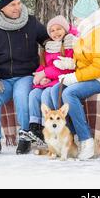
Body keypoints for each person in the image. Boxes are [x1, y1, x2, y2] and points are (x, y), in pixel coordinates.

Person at [50, 0, 100, 160]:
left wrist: (74, 77)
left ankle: (87, 141)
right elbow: (88, 60)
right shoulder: (90, 32)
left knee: (70, 92)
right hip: (98, 76)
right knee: (57, 90)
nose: (75, 21)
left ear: (87, 17)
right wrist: (71, 63)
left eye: (77, 17)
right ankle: (73, 136)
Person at [0, 0, 49, 155]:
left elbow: (46, 38)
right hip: (1, 79)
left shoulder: (30, 22)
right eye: (12, 5)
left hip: (25, 75)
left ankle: (24, 137)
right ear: (2, 8)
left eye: (18, 3)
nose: (17, 8)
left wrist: (52, 44)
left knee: (22, 97)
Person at [25, 15, 78, 144]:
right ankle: (34, 126)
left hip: (61, 81)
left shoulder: (70, 45)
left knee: (46, 94)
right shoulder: (49, 47)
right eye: (52, 30)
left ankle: (47, 127)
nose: (56, 33)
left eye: (59, 29)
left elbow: (66, 69)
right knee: (33, 94)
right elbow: (43, 66)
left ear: (65, 29)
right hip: (48, 82)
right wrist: (40, 77)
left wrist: (45, 73)